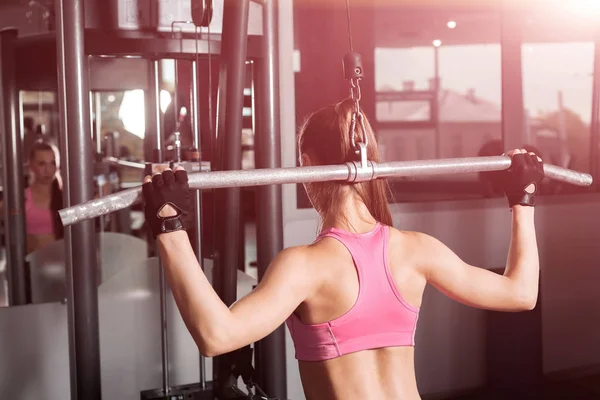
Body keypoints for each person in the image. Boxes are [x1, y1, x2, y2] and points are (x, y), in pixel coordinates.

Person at [142, 98, 544, 400]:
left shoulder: (304, 267)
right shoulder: (418, 251)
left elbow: (216, 335)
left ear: (306, 164)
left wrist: (170, 224)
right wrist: (522, 199)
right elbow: (521, 294)